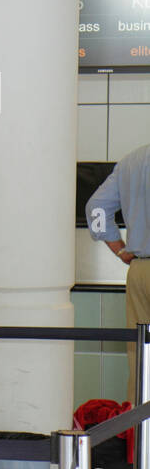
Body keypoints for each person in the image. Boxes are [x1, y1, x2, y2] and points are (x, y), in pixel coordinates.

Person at [84, 144, 150, 402]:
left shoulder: (132, 161)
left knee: (140, 359)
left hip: (139, 272)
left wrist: (120, 249)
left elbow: (96, 207)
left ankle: (142, 438)